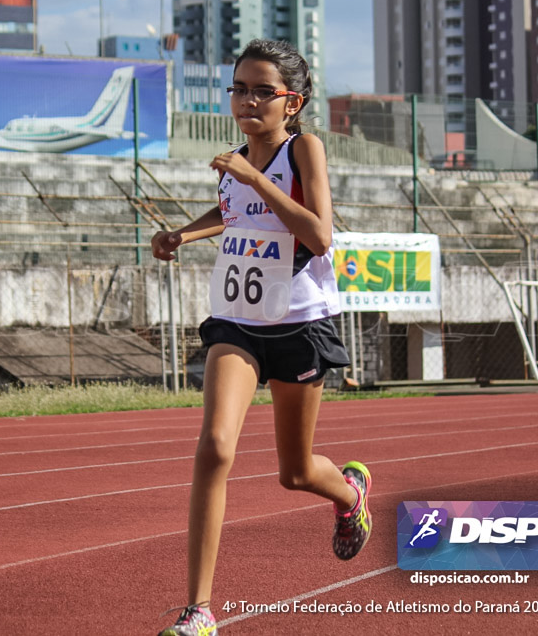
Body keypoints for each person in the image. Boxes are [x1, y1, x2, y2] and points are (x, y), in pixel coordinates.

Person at [152, 39, 372, 636]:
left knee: (294, 472)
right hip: (238, 321)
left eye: (261, 91)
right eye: (239, 88)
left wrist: (253, 173)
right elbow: (236, 213)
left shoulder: (305, 149)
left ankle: (349, 493)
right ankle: (199, 609)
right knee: (215, 446)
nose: (247, 100)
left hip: (300, 321)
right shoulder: (236, 158)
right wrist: (183, 234)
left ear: (291, 102)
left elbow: (319, 234)